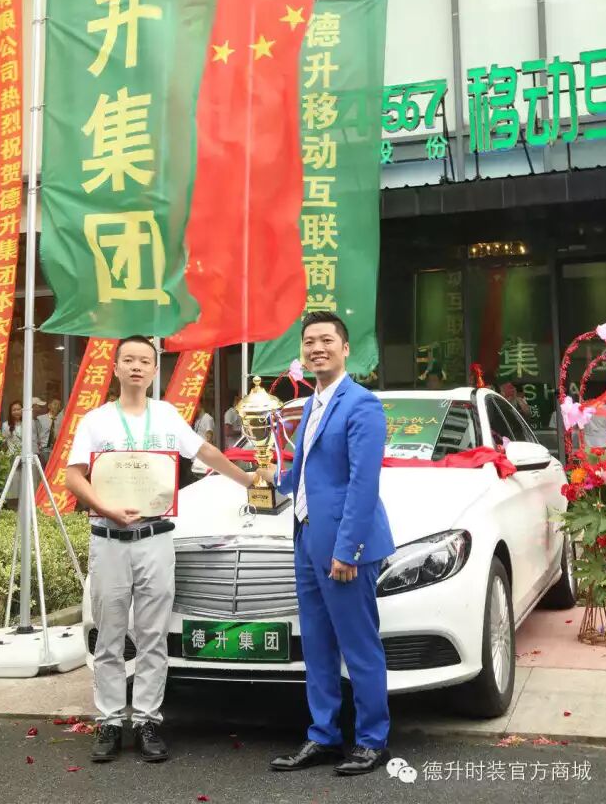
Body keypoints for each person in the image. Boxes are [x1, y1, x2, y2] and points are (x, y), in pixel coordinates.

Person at [65, 335, 257, 765]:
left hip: (155, 539)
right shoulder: (96, 421)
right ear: (115, 367)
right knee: (110, 636)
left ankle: (147, 720)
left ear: (155, 371)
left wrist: (247, 479)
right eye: (128, 360)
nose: (136, 367)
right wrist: (105, 508)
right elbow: (74, 476)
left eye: (145, 361)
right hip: (108, 540)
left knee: (153, 635)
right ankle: (110, 720)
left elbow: (205, 451)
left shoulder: (167, 415)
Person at [257, 312, 395, 777]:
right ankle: (323, 736)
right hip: (306, 539)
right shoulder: (312, 405)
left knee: (359, 646)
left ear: (345, 348)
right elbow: (302, 476)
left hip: (343, 547)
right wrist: (265, 478)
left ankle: (372, 740)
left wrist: (347, 549)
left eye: (327, 340)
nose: (317, 348)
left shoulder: (362, 405)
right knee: (317, 645)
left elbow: (362, 483)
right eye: (310, 342)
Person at [1, 400, 39, 503]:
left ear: (23, 410)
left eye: (18, 409)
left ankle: (29, 504)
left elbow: (34, 440)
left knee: (28, 482)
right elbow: (4, 443)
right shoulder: (5, 425)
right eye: (14, 410)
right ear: (10, 412)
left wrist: (34, 456)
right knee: (14, 483)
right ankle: (13, 506)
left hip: (28, 458)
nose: (16, 412)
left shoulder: (30, 422)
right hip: (13, 458)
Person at [37, 396, 64, 466]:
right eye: (55, 404)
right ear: (49, 406)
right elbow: (37, 434)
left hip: (57, 449)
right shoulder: (40, 418)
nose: (57, 407)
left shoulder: (61, 420)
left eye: (59, 405)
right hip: (44, 449)